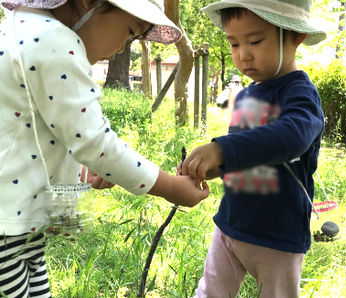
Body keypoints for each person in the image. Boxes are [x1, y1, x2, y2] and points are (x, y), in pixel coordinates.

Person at [0, 0, 209, 296]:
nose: (124, 47)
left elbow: (35, 128)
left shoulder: (24, 27)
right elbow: (94, 142)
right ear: (89, 3)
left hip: (16, 214)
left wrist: (79, 171)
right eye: (129, 31)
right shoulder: (54, 40)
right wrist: (170, 187)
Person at [179, 0, 326, 297]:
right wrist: (209, 166)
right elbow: (242, 156)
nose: (243, 55)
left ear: (294, 37)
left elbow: (292, 136)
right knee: (209, 292)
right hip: (231, 223)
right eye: (233, 44)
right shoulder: (246, 95)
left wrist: (222, 150)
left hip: (278, 235)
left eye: (255, 41)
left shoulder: (300, 94)